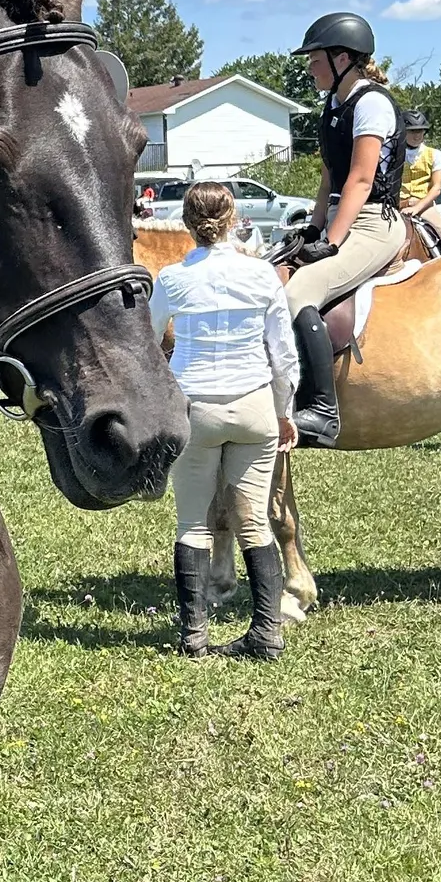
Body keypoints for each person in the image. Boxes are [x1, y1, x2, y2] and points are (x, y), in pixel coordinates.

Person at [151, 182, 298, 659]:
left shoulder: (171, 279)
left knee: (192, 521)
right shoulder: (262, 276)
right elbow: (283, 355)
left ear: (187, 224)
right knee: (253, 521)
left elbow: (149, 346)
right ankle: (267, 632)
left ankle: (194, 635)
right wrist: (284, 411)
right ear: (234, 219)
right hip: (254, 403)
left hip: (196, 406)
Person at [276, 10, 408, 447]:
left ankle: (321, 410)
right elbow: (329, 178)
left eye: (314, 60)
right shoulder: (333, 103)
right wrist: (314, 229)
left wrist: (332, 241)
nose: (309, 67)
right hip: (340, 216)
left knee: (300, 292)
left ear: (343, 58)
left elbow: (361, 180)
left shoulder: (370, 103)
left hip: (373, 223)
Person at [397, 111, 441, 220]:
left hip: (425, 207)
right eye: (412, 132)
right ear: (403, 132)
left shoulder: (435, 154)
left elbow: (436, 187)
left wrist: (417, 208)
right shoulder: (394, 155)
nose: (417, 136)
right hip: (397, 206)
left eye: (420, 131)